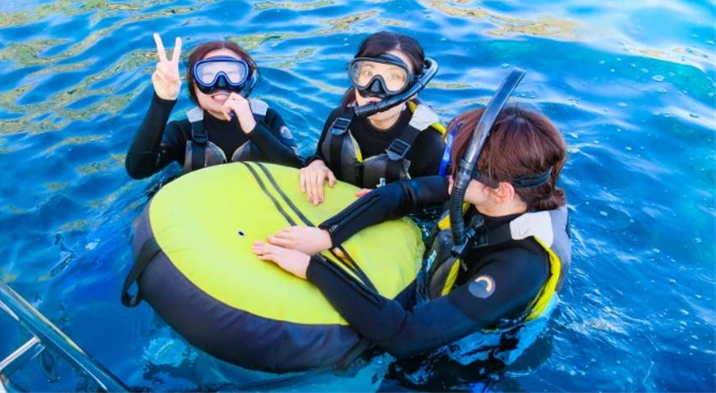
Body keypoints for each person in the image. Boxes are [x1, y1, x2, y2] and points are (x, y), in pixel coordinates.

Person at [253, 103, 571, 359]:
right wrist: (327, 235)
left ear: (501, 192)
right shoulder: (493, 194)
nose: (449, 172)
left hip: (475, 350)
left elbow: (407, 338)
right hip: (446, 299)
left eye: (460, 168)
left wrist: (314, 268)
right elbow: (403, 194)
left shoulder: (521, 266)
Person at [126, 34, 301, 179]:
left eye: (233, 74)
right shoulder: (183, 132)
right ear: (194, 84)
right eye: (207, 75)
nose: (221, 83)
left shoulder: (268, 119)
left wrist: (253, 128)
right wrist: (162, 101)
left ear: (248, 81)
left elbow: (297, 169)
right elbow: (138, 170)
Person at [300, 31, 445, 205]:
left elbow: (431, 213)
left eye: (394, 77)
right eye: (368, 73)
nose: (375, 87)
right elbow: (319, 159)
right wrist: (315, 164)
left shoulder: (429, 143)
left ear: (413, 89)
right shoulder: (339, 120)